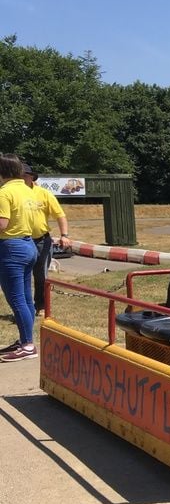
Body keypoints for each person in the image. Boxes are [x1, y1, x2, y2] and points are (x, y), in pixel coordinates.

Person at [0, 154, 39, 361]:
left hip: (11, 247)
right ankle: (26, 339)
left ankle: (27, 345)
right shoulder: (27, 190)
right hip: (28, 243)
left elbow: (2, 224)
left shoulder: (4, 193)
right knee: (25, 298)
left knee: (16, 299)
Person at [23, 163, 71, 315]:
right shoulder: (12, 193)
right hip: (21, 240)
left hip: (41, 240)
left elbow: (60, 215)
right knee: (21, 275)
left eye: (25, 175)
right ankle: (24, 308)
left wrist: (64, 235)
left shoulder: (44, 194)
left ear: (32, 177)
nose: (22, 178)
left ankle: (41, 306)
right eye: (19, 175)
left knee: (41, 275)